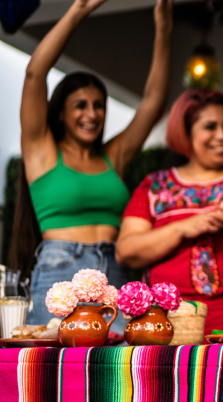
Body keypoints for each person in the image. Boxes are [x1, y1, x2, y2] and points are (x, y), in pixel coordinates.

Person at [17, 0, 172, 328]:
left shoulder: (112, 156)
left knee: (116, 368)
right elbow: (34, 74)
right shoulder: (41, 151)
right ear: (60, 111)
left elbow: (152, 102)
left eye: (98, 105)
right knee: (57, 370)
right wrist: (79, 10)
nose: (91, 114)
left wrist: (163, 30)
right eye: (80, 105)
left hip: (113, 273)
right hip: (60, 274)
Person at [116, 89, 223, 334]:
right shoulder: (155, 186)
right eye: (210, 127)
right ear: (185, 133)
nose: (222, 135)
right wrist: (182, 228)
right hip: (168, 330)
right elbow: (126, 251)